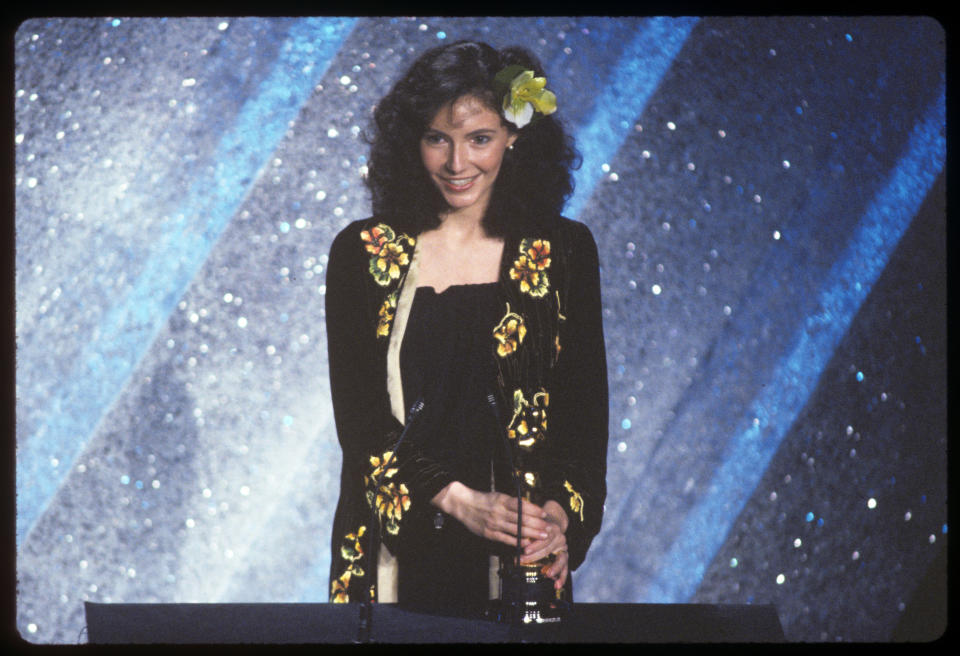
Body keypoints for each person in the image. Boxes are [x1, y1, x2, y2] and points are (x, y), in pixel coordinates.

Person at [325, 40, 608, 616]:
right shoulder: (364, 252)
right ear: (412, 142)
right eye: (438, 139)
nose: (458, 164)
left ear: (514, 137)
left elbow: (584, 417)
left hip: (521, 554)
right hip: (392, 557)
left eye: (479, 138)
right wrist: (458, 500)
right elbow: (360, 421)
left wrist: (559, 519)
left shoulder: (564, 251)